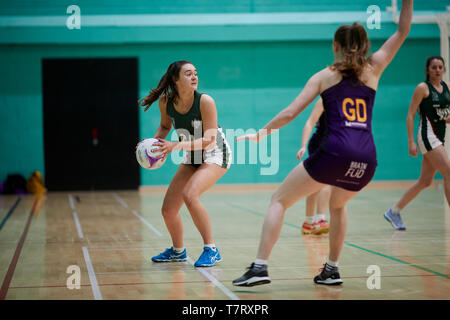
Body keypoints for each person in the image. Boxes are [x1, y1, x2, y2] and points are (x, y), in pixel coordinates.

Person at [232, 0, 413, 286]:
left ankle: (259, 267)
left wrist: (261, 134)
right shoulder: (374, 68)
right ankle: (332, 269)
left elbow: (291, 112)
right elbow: (403, 30)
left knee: (279, 200)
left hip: (334, 152)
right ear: (365, 45)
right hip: (367, 159)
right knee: (338, 207)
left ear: (335, 46)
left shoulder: (325, 76)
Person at [138, 60, 232, 267]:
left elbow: (208, 139)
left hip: (215, 154)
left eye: (195, 73)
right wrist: (153, 147)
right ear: (175, 79)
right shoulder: (166, 102)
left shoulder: (205, 101)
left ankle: (211, 249)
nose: (194, 77)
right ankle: (178, 251)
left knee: (190, 195)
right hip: (192, 155)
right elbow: (164, 126)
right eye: (188, 74)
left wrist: (175, 146)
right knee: (168, 210)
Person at [384, 56, 450, 231]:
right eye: (434, 67)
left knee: (425, 181)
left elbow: (444, 115)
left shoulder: (447, 88)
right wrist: (411, 141)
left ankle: (394, 211)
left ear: (444, 69)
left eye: (440, 67)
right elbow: (410, 115)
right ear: (427, 70)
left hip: (439, 137)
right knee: (449, 171)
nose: (437, 70)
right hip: (427, 136)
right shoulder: (422, 88)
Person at [296, 98, 331, 235]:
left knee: (317, 184)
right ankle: (319, 219)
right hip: (320, 143)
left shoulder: (346, 98)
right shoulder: (324, 99)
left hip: (335, 145)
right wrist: (303, 145)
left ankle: (309, 222)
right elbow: (310, 122)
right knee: (322, 182)